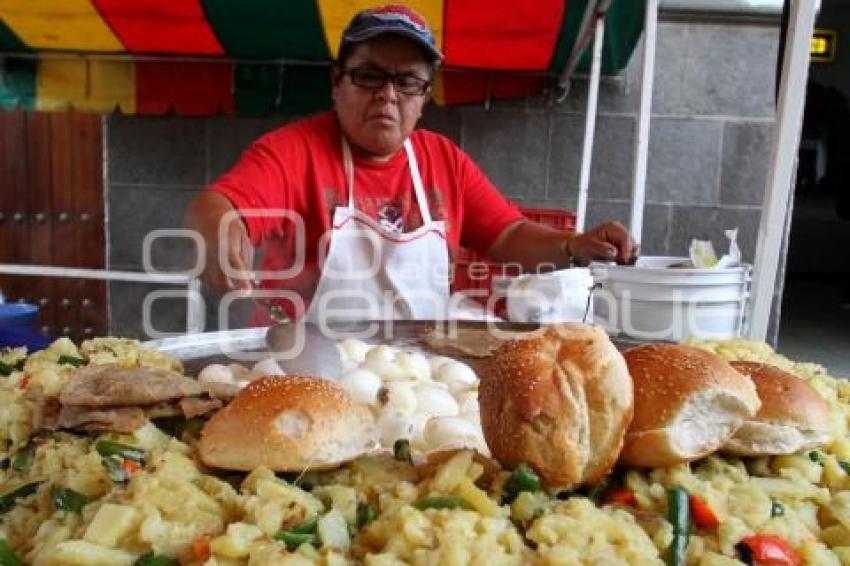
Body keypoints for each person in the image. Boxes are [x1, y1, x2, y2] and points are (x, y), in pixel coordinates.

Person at [185, 4, 634, 323]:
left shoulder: (444, 160)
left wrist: (575, 245)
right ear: (337, 82)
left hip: (414, 377)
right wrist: (218, 231)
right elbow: (220, 205)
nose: (387, 95)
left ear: (423, 98)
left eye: (407, 82)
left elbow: (508, 234)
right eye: (369, 76)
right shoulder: (294, 151)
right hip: (302, 365)